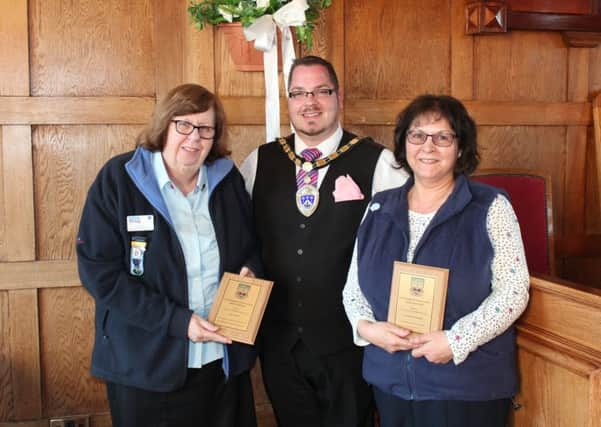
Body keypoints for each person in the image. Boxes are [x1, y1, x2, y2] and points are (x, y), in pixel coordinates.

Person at [76, 84, 261, 427]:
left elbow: (253, 246)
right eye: (184, 125)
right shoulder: (119, 180)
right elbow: (99, 272)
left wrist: (250, 270)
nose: (194, 138)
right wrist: (179, 322)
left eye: (205, 129)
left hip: (222, 364)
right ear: (164, 124)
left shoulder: (227, 180)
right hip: (146, 368)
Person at [240, 55, 408, 427]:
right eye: (298, 93)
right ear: (289, 101)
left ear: (338, 96)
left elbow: (405, 245)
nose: (309, 102)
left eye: (321, 91)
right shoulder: (259, 162)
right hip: (279, 340)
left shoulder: (379, 163)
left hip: (347, 341)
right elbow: (241, 238)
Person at [342, 94, 530, 427]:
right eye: (418, 135)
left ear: (460, 148)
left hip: (466, 387)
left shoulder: (491, 206)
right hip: (392, 384)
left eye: (442, 137)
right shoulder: (378, 208)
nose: (428, 146)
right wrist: (368, 329)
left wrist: (457, 341)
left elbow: (514, 290)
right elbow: (353, 289)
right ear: (404, 144)